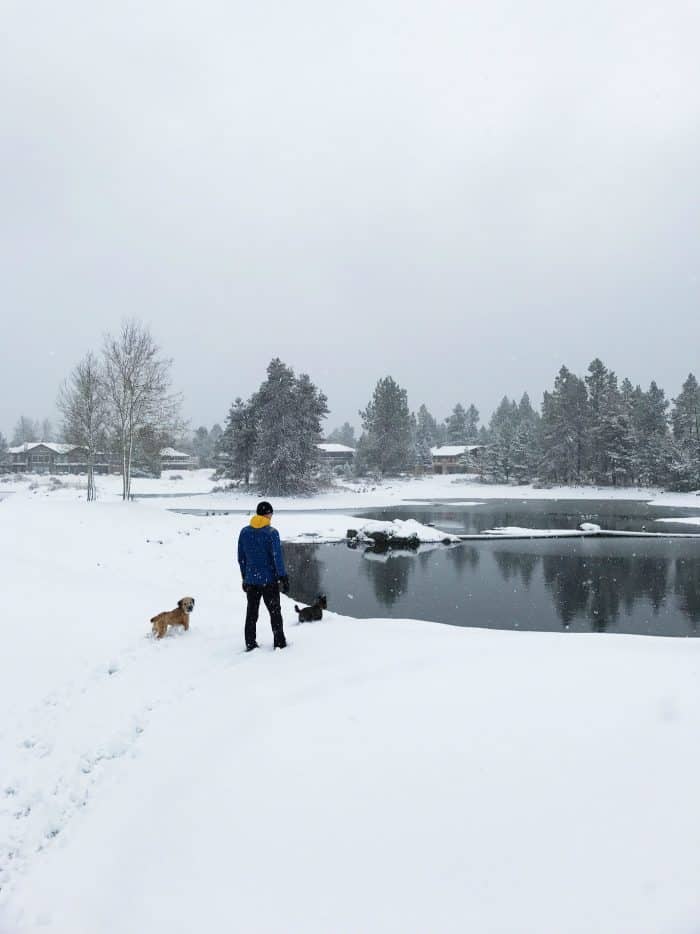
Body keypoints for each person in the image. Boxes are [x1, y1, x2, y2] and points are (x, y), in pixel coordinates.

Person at [237, 501, 289, 651]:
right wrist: (283, 577)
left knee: (251, 613)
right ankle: (279, 643)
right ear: (267, 514)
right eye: (271, 513)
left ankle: (250, 643)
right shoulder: (272, 532)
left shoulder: (244, 532)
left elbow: (241, 558)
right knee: (275, 613)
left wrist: (245, 577)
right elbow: (277, 557)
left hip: (251, 580)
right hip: (269, 581)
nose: (271, 516)